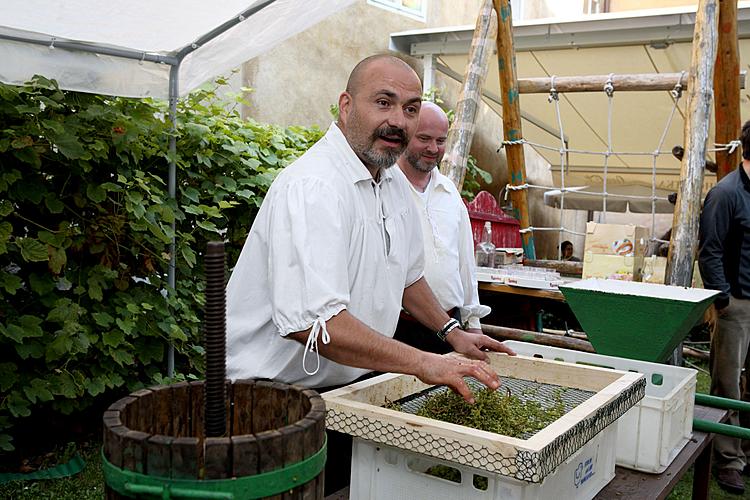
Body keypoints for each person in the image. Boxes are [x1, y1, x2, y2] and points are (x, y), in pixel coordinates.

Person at [391, 102, 489, 354]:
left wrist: (474, 323)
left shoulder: (449, 193)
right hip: (399, 327)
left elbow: (465, 264)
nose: (433, 148)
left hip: (451, 327)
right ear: (405, 135)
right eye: (423, 138)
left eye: (440, 140)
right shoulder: (385, 188)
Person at [698, 120, 750, 495]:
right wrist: (724, 301)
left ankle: (746, 450)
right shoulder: (725, 193)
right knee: (727, 384)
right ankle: (727, 459)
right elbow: (710, 251)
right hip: (737, 305)